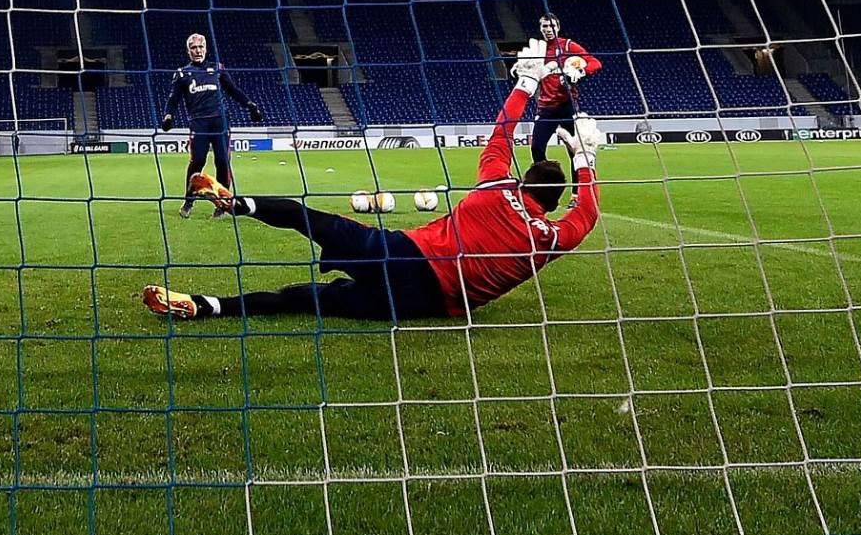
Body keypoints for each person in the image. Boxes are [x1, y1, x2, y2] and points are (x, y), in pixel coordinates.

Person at [143, 57, 600, 322]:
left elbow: (501, 133)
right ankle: (206, 306)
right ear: (554, 205)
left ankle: (238, 201)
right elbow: (588, 215)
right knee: (304, 299)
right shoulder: (550, 239)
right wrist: (586, 160)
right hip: (423, 303)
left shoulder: (496, 189)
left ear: (522, 181)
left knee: (310, 219)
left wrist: (524, 85)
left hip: (402, 252)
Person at [160, 32, 263, 217]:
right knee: (197, 161)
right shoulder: (182, 73)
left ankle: (222, 205)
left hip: (220, 121)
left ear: (206, 49)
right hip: (198, 122)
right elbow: (173, 99)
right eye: (193, 48)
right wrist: (168, 116)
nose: (197, 51)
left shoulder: (217, 68)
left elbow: (233, 90)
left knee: (222, 162)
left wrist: (250, 105)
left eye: (200, 47)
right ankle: (188, 201)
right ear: (188, 51)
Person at [525, 13, 601, 163]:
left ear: (558, 28)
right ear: (540, 29)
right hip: (546, 108)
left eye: (552, 26)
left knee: (576, 151)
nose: (548, 29)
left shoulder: (568, 46)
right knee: (536, 148)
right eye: (545, 26)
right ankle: (546, 184)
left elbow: (595, 62)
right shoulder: (538, 51)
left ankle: (577, 186)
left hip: (568, 107)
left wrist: (581, 71)